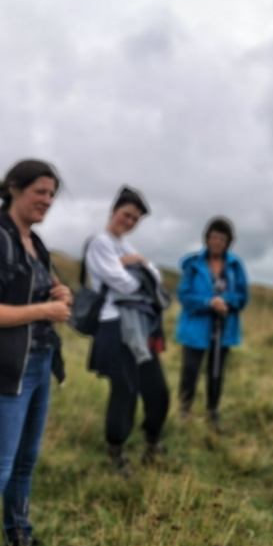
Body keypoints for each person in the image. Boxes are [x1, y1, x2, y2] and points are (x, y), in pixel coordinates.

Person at [0, 159, 72, 546]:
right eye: (40, 191)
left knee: (25, 463)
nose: (47, 200)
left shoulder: (35, 243)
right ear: (13, 188)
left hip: (40, 363)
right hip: (5, 371)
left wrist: (58, 292)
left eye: (52, 194)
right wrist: (45, 308)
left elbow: (35, 294)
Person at [85, 185, 170, 475]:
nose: (130, 222)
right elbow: (125, 283)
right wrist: (136, 269)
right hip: (113, 325)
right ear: (114, 211)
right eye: (127, 215)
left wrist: (134, 264)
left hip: (140, 326)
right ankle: (116, 452)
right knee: (125, 391)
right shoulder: (100, 242)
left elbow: (154, 279)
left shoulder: (127, 247)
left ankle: (152, 442)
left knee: (157, 390)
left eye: (135, 219)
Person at [175, 216, 249, 429]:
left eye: (222, 238)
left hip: (223, 330)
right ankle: (184, 411)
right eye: (213, 237)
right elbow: (184, 296)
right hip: (195, 329)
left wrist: (226, 302)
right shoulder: (193, 264)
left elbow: (242, 297)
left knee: (216, 371)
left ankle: (212, 413)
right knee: (190, 370)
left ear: (228, 241)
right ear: (206, 239)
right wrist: (208, 302)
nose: (217, 242)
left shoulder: (235, 266)